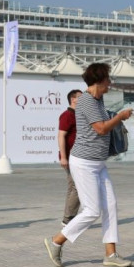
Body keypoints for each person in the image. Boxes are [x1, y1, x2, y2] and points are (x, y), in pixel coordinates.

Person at [44, 63, 134, 267]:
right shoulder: (86, 100)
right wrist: (120, 117)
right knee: (92, 211)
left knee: (110, 205)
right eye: (108, 79)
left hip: (98, 163)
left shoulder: (98, 98)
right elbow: (101, 129)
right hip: (84, 163)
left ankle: (110, 255)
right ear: (100, 80)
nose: (110, 83)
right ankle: (56, 241)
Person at [58, 89, 82, 226]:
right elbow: (61, 136)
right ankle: (68, 219)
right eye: (81, 97)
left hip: (77, 156)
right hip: (70, 157)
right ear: (73, 99)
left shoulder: (78, 115)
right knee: (77, 187)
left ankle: (68, 217)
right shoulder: (67, 115)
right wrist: (63, 157)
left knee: (72, 187)